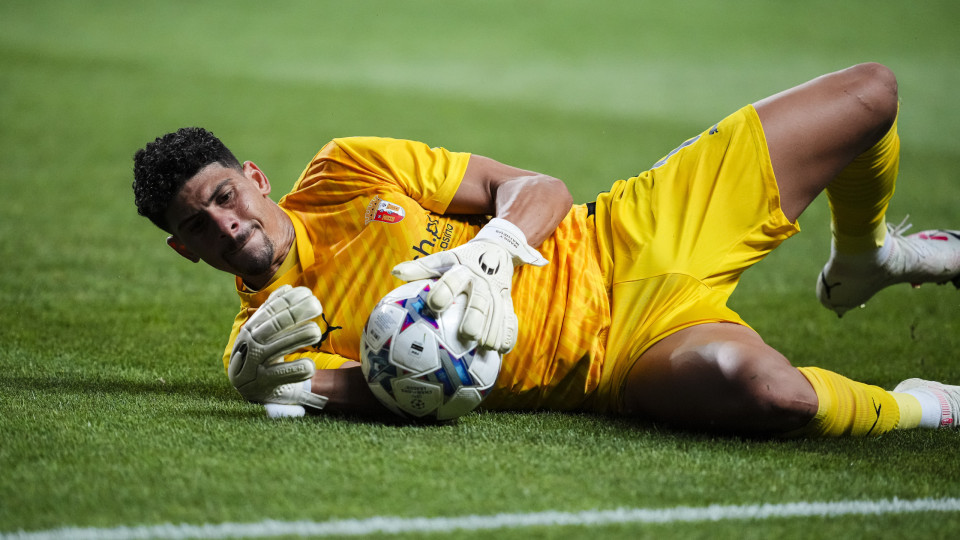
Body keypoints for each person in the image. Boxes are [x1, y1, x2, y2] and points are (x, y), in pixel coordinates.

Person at [133, 62, 960, 436]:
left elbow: (537, 188)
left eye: (224, 197)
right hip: (616, 361)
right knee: (777, 397)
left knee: (868, 95)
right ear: (184, 250)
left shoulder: (349, 170)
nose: (227, 225)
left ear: (254, 177)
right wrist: (286, 387)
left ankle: (867, 256)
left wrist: (496, 245)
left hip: (626, 232)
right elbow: (391, 391)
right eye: (199, 225)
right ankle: (928, 403)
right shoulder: (269, 346)